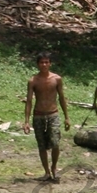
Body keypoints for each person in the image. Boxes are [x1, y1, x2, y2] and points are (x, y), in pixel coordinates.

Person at [23, 52, 69, 182]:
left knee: (55, 143)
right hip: (38, 116)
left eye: (46, 62)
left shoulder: (56, 79)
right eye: (41, 62)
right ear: (38, 64)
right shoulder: (33, 81)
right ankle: (47, 172)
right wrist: (26, 121)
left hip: (53, 114)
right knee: (41, 145)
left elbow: (61, 98)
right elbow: (29, 101)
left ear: (50, 63)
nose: (44, 65)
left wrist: (66, 117)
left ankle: (54, 167)